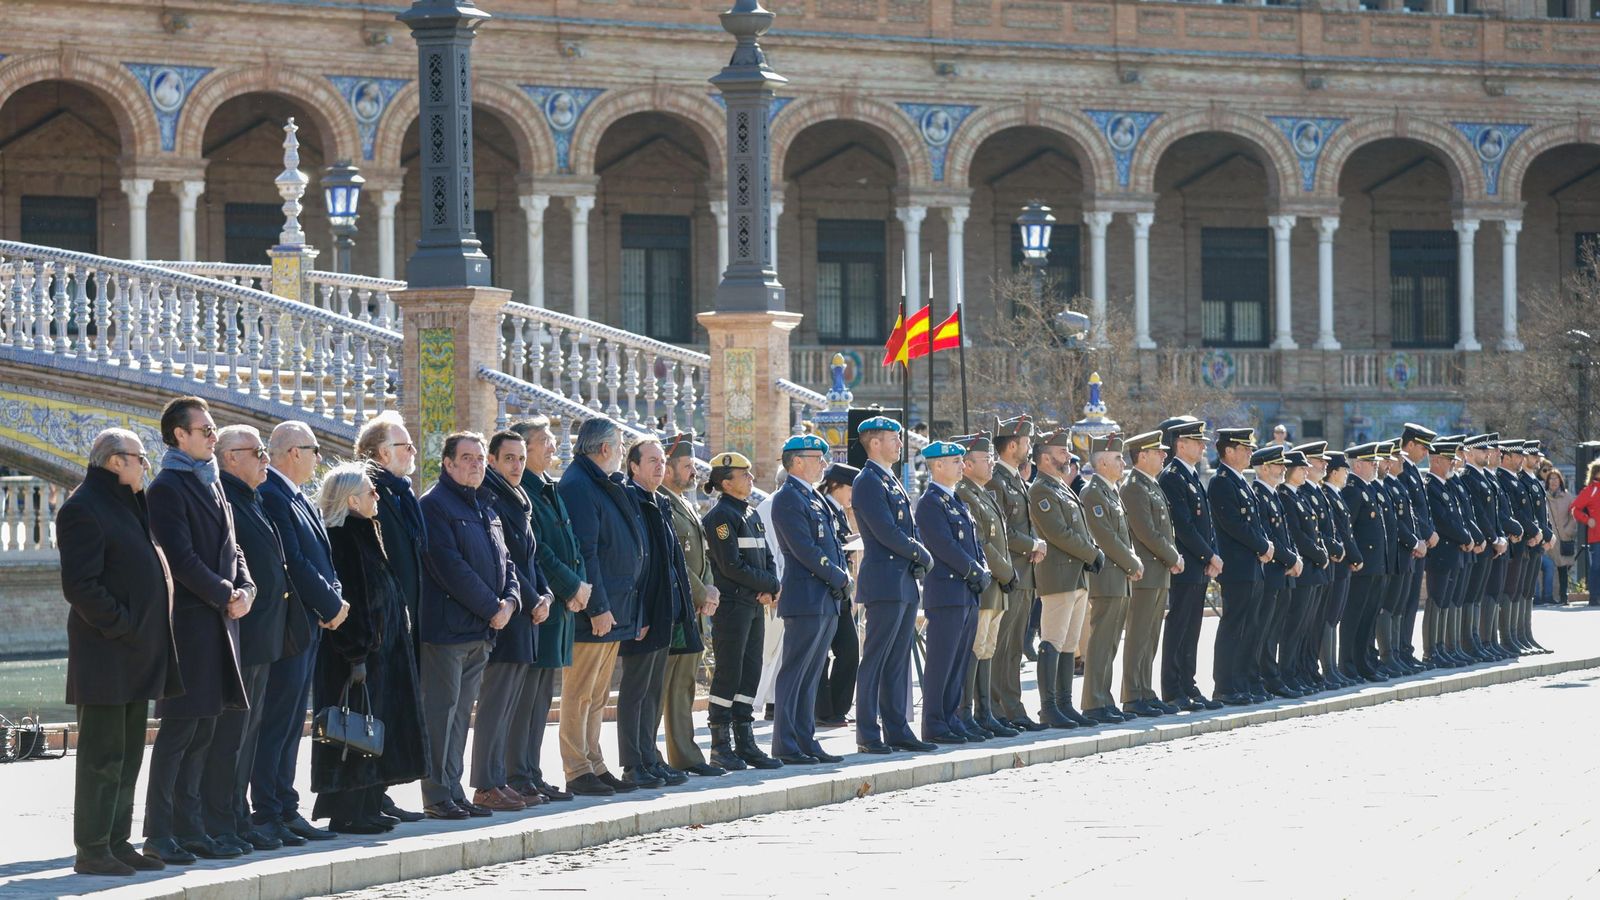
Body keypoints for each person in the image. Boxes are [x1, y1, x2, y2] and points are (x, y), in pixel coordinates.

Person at [58, 428, 180, 876]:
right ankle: (91, 848)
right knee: (102, 756)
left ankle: (116, 840)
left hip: (135, 653)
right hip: (108, 653)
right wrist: (126, 626)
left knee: (129, 753)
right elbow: (80, 586)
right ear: (114, 462)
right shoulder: (83, 508)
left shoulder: (126, 503)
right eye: (139, 458)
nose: (145, 465)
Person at [143, 396, 254, 865]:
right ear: (178, 436)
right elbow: (179, 557)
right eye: (205, 431)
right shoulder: (168, 487)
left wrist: (246, 587)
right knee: (178, 735)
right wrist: (224, 592)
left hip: (221, 624)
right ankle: (160, 832)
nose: (213, 436)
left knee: (205, 733)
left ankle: (192, 829)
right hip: (189, 627)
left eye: (213, 430)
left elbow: (235, 547)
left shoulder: (212, 483)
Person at [313, 464, 429, 834]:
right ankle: (350, 811)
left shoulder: (366, 532)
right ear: (351, 500)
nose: (377, 496)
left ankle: (370, 804)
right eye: (369, 492)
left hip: (383, 656)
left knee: (373, 735)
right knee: (355, 735)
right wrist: (357, 655)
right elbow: (354, 604)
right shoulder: (344, 538)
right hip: (361, 658)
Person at [256, 421, 350, 846]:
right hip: (291, 626)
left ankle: (285, 805)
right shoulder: (273, 495)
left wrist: (334, 597)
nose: (318, 457)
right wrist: (330, 605)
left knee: (294, 722)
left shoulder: (297, 497)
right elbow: (292, 559)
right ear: (293, 452)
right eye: (313, 449)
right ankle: (270, 810)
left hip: (310, 622)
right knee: (277, 722)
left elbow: (321, 559)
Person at [417, 432, 521, 819]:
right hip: (448, 631)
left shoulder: (485, 506)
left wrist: (511, 601)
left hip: (482, 630)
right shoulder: (434, 505)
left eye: (480, 458)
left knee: (462, 714)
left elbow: (505, 561)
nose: (476, 464)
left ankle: (454, 788)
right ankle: (436, 793)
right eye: (467, 458)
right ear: (448, 463)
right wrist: (492, 606)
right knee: (441, 714)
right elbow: (449, 567)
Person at [210, 426, 299, 854]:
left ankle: (239, 816)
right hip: (242, 634)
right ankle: (225, 818)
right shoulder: (226, 497)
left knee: (248, 735)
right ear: (230, 457)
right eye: (258, 452)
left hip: (264, 634)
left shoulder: (252, 497)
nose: (267, 460)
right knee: (232, 736)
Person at [558, 418, 649, 794]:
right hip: (596, 611)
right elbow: (586, 552)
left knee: (597, 695)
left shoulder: (600, 480)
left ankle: (594, 762)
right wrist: (598, 606)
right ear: (606, 448)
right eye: (621, 442)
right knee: (579, 693)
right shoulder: (579, 484)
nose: (624, 449)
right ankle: (577, 768)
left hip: (616, 608)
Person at [472, 431, 553, 810]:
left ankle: (504, 778)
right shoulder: (491, 497)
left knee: (512, 704)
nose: (517, 466)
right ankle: (487, 783)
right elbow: (508, 562)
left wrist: (547, 595)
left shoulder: (518, 498)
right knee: (495, 703)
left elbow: (532, 558)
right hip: (509, 613)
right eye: (509, 459)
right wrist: (534, 598)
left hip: (529, 614)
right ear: (492, 460)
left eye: (521, 458)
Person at [356, 410, 429, 822]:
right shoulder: (373, 493)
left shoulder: (400, 493)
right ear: (383, 453)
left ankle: (378, 792)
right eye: (405, 445)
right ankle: (367, 794)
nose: (413, 451)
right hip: (382, 623)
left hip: (406, 620)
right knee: (376, 709)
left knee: (392, 707)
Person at [509, 417, 585, 802]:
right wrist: (571, 586)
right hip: (541, 605)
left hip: (559, 606)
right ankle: (518, 772)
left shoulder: (548, 489)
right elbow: (542, 552)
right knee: (526, 698)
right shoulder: (526, 492)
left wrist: (580, 586)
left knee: (541, 698)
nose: (553, 447)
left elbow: (571, 544)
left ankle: (532, 772)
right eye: (545, 440)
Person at [851, 417, 935, 754]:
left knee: (897, 660)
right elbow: (886, 531)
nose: (900, 444)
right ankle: (868, 732)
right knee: (876, 658)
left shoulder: (890, 480)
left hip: (901, 579)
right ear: (874, 443)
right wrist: (922, 554)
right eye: (893, 438)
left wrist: (916, 557)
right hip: (885, 579)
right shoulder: (868, 481)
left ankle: (897, 727)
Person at [619, 437, 699, 787]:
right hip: (642, 613)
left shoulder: (659, 502)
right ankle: (632, 761)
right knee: (635, 689)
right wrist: (637, 613)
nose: (658, 466)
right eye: (650, 460)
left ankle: (649, 756)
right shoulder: (630, 500)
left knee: (653, 690)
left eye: (660, 461)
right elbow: (631, 563)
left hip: (665, 610)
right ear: (633, 466)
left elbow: (672, 562)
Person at [768, 434, 851, 763]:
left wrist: (841, 577)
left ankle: (805, 739)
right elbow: (804, 549)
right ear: (797, 462)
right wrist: (837, 575)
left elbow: (832, 543)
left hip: (825, 597)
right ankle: (786, 743)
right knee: (795, 673)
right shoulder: (788, 497)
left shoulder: (813, 497)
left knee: (812, 674)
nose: (823, 464)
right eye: (817, 458)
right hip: (806, 597)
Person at [701, 450, 784, 769]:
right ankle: (721, 745)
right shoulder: (721, 516)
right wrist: (769, 585)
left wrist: (771, 583)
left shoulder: (750, 514)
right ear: (725, 482)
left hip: (752, 604)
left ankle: (746, 742)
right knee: (729, 673)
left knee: (750, 672)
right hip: (733, 606)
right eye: (744, 475)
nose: (751, 479)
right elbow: (731, 566)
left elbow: (767, 556)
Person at [657, 433, 726, 777]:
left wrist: (709, 589)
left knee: (684, 684)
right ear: (667, 470)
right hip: (676, 606)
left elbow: (702, 553)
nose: (693, 473)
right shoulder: (661, 501)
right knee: (665, 687)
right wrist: (701, 593)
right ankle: (662, 756)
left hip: (694, 607)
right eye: (686, 466)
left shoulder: (683, 501)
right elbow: (674, 558)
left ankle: (685, 755)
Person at [914, 440, 991, 744]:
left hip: (966, 592)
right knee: (941, 662)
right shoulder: (930, 502)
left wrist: (981, 567)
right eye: (955, 461)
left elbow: (974, 543)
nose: (961, 465)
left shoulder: (956, 500)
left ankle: (951, 717)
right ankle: (934, 722)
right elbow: (943, 546)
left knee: (959, 661)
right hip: (947, 592)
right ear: (937, 466)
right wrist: (974, 570)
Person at [1028, 428, 1101, 728]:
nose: (1068, 456)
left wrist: (1090, 551)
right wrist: (1091, 553)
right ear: (1045, 458)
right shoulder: (1041, 489)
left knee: (1070, 643)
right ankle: (1048, 707)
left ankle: (1064, 703)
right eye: (1061, 452)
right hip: (1058, 576)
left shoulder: (1061, 487)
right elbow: (1058, 533)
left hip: (1075, 575)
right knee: (1053, 641)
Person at [985, 416, 1048, 732]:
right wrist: (1032, 544)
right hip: (1010, 573)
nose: (1028, 448)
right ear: (1012, 446)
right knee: (1003, 646)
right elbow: (1001, 532)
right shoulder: (997, 480)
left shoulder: (1014, 479)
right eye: (1025, 443)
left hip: (1024, 573)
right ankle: (998, 707)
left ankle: (1013, 706)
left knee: (1013, 649)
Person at [954, 433, 1018, 738]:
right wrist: (1006, 571)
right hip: (986, 584)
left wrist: (1006, 572)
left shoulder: (984, 493)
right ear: (966, 464)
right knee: (975, 648)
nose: (991, 463)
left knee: (987, 648)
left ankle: (984, 711)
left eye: (992, 457)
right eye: (985, 458)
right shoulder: (965, 494)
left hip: (997, 586)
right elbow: (982, 544)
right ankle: (965, 712)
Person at [1158, 418, 1223, 711]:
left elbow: (1205, 524)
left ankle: (1188, 682)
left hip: (1198, 564)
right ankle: (1173, 688)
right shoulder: (1172, 477)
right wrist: (1209, 555)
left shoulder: (1192, 475)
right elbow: (1183, 526)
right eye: (1197, 442)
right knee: (1179, 626)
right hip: (1184, 564)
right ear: (1180, 444)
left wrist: (1211, 555)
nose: (1202, 447)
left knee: (1193, 627)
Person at [1079, 435, 1143, 724]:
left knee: (1111, 642)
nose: (1123, 463)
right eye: (1118, 458)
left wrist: (1130, 563)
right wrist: (1132, 562)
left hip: (1120, 576)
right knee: (1101, 641)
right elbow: (1105, 537)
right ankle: (1094, 702)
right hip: (1107, 577)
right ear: (1102, 461)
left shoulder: (1111, 491)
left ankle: (1105, 699)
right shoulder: (1093, 493)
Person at [1119, 430, 1180, 718]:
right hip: (1146, 570)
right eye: (1158, 452)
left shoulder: (1151, 485)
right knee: (1138, 635)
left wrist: (1171, 556)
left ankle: (1145, 689)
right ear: (1142, 456)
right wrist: (1172, 556)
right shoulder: (1133, 487)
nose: (1164, 456)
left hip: (1159, 570)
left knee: (1151, 636)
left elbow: (1164, 529)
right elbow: (1146, 531)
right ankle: (1132, 694)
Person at [1208, 428, 1271, 705]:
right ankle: (1225, 685)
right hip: (1237, 567)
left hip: (1253, 566)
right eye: (1244, 449)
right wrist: (1263, 546)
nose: (1249, 453)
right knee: (1234, 625)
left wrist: (1264, 546)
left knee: (1251, 626)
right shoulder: (1221, 482)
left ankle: (1243, 680)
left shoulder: (1241, 481)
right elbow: (1234, 525)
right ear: (1228, 451)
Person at [1245, 445, 1298, 703]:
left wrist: (1294, 557)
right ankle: (1263, 677)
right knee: (1263, 630)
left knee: (1273, 629)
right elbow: (1269, 536)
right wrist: (1290, 558)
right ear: (1264, 468)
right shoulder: (1259, 494)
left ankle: (1270, 675)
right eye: (1279, 465)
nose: (1283, 470)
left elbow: (1285, 534)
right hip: (1272, 570)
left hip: (1283, 571)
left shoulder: (1273, 494)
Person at [814, 463, 862, 730]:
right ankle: (822, 710)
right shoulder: (823, 507)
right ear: (836, 486)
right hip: (826, 588)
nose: (852, 495)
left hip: (842, 587)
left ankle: (838, 707)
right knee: (822, 654)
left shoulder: (840, 512)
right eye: (850, 489)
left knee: (849, 649)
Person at [1340, 442, 1391, 682]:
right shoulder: (1353, 490)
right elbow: (1346, 527)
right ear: (1358, 465)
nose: (1376, 466)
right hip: (1362, 566)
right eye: (1372, 463)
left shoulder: (1368, 488)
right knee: (1354, 617)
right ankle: (1349, 663)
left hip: (1375, 564)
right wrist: (1354, 556)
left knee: (1369, 616)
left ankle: (1364, 661)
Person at [1423, 439, 1473, 667]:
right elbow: (1443, 521)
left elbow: (1458, 518)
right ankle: (1432, 650)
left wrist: (1466, 537)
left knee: (1447, 600)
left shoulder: (1446, 486)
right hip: (1442, 553)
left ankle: (1443, 647)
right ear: (1435, 460)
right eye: (1448, 459)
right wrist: (1464, 537)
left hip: (1453, 552)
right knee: (1437, 600)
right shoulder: (1431, 486)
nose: (1453, 463)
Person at [1396, 425, 1440, 671]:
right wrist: (1423, 535)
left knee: (1412, 601)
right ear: (1409, 444)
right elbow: (1408, 510)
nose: (1425, 453)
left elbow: (1423, 508)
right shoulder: (1402, 469)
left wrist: (1429, 532)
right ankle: (1399, 652)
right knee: (1404, 603)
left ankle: (1405, 650)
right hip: (1411, 544)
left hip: (1420, 543)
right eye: (1422, 447)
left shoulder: (1412, 469)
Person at [1321, 451, 1362, 685]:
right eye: (1344, 470)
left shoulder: (1336, 495)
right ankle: (1328, 667)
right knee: (1330, 616)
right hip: (1337, 563)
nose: (1347, 474)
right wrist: (1354, 555)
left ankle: (1333, 667)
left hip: (1344, 563)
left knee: (1335, 617)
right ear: (1334, 472)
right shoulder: (1328, 494)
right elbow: (1341, 533)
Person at [1567, 459, 1600, 607]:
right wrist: (1587, 520)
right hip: (1596, 536)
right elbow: (1574, 509)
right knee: (1596, 567)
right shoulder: (1590, 490)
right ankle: (1594, 597)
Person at [1544, 467, 1576, 606]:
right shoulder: (1544, 497)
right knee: (1550, 567)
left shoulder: (1568, 497)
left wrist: (1567, 531)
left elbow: (1573, 516)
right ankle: (1549, 596)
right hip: (1550, 539)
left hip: (1564, 538)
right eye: (1551, 478)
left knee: (1563, 569)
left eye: (1556, 478)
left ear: (1561, 481)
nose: (1553, 481)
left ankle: (1564, 596)